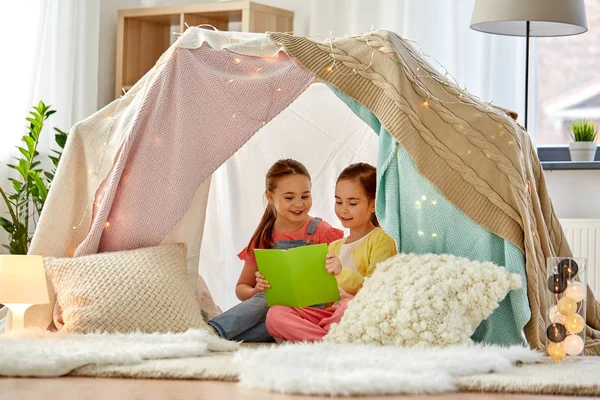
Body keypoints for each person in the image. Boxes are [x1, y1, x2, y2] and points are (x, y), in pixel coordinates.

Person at [207, 159, 343, 341]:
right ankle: (216, 335)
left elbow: (344, 278)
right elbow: (241, 289)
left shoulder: (322, 232)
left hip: (311, 314)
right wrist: (256, 290)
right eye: (289, 197)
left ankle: (214, 333)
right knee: (267, 303)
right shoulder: (265, 236)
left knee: (272, 311)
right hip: (277, 314)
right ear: (270, 197)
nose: (299, 204)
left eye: (305, 196)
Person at [265, 163, 397, 341]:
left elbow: (377, 289)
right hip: (330, 317)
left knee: (348, 307)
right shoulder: (334, 246)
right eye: (338, 201)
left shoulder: (382, 239)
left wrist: (342, 272)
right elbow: (324, 297)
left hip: (359, 312)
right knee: (275, 314)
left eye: (352, 203)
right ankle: (326, 341)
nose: (343, 209)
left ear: (373, 205)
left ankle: (321, 340)